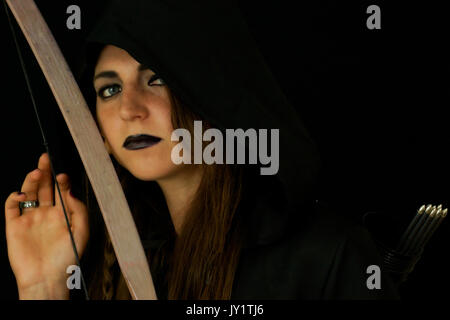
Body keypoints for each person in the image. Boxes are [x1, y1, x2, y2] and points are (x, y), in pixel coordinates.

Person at [4, 0, 399, 300]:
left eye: (156, 79)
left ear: (212, 96)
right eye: (109, 89)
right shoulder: (116, 265)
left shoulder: (325, 255)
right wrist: (44, 285)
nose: (128, 110)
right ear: (100, 137)